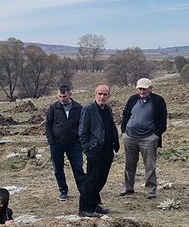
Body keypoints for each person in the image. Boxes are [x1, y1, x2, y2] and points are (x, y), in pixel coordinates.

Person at [119, 78, 168, 199]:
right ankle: (128, 188)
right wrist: (124, 132)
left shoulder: (158, 101)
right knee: (129, 164)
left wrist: (155, 136)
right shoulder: (132, 99)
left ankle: (151, 191)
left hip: (148, 139)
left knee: (150, 166)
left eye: (144, 89)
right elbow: (125, 115)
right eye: (140, 89)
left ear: (151, 88)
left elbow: (162, 120)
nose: (142, 91)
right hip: (130, 137)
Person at [78, 85, 119, 218]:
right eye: (100, 94)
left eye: (105, 94)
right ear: (95, 94)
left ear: (109, 96)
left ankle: (95, 204)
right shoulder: (88, 110)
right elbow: (82, 132)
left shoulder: (107, 109)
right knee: (91, 179)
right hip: (94, 151)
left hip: (107, 150)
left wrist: (115, 142)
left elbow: (110, 126)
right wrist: (88, 148)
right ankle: (84, 208)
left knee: (101, 179)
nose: (102, 97)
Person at [45, 84, 84, 202]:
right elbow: (48, 124)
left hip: (74, 144)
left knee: (78, 167)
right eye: (60, 96)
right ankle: (63, 191)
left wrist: (81, 140)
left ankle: (83, 190)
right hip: (57, 144)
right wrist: (51, 141)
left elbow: (83, 125)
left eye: (65, 96)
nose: (62, 99)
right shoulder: (53, 107)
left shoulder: (78, 107)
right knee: (58, 169)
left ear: (70, 95)